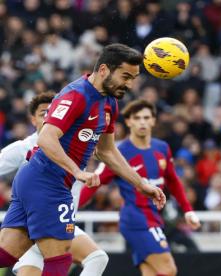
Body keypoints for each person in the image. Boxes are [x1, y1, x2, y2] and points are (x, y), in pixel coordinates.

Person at [0, 44, 166, 276]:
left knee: (6, 254)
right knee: (60, 256)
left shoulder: (109, 103)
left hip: (39, 181)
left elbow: (107, 151)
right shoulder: (76, 95)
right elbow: (46, 138)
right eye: (125, 76)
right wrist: (76, 171)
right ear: (104, 70)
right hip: (47, 181)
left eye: (133, 79)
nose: (129, 85)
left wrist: (141, 184)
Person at [79, 99, 200, 276]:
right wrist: (71, 208)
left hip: (155, 217)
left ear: (153, 120)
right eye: (137, 118)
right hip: (136, 219)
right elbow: (94, 182)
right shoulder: (118, 153)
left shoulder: (162, 148)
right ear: (128, 122)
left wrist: (188, 210)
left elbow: (173, 181)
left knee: (150, 272)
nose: (142, 122)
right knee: (168, 269)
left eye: (146, 117)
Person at [0, 93, 110, 275]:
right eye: (44, 113)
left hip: (61, 221)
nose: (49, 116)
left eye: (54, 112)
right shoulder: (22, 148)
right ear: (32, 119)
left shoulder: (74, 143)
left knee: (97, 258)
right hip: (33, 225)